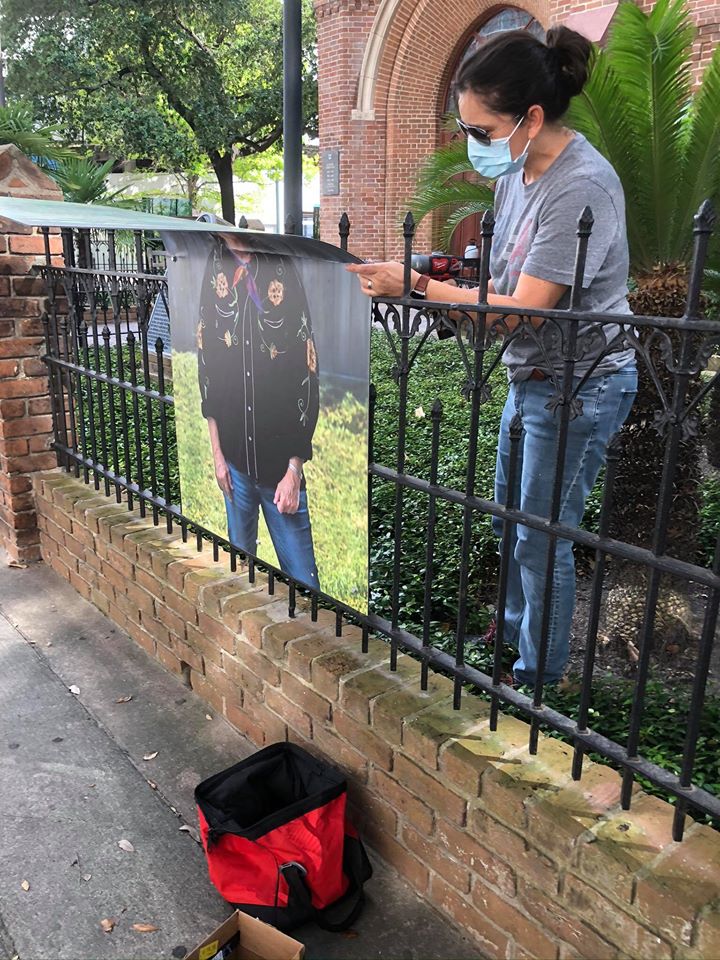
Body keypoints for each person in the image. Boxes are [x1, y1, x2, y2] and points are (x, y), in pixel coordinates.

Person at [348, 26, 637, 687]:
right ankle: (508, 634)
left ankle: (537, 678)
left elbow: (521, 309)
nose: (474, 146)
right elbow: (497, 280)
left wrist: (417, 286)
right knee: (512, 520)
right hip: (531, 376)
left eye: (482, 131)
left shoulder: (580, 185)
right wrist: (433, 270)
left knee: (541, 536)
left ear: (531, 118)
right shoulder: (517, 176)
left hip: (583, 385)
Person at [197, 233, 321, 589]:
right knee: (240, 575)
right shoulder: (216, 267)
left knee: (305, 585)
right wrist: (219, 457)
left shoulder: (281, 268)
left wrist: (294, 470)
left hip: (279, 472)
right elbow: (209, 372)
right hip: (235, 464)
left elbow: (307, 375)